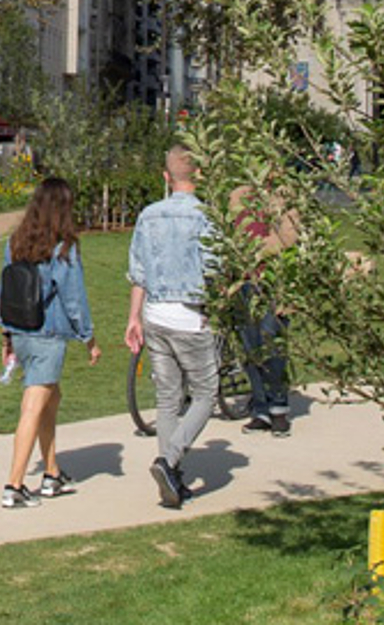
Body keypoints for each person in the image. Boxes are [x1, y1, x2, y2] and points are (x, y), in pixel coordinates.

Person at [0, 178, 101, 509]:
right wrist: (89, 338)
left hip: (22, 331)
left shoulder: (15, 242)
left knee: (51, 399)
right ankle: (14, 484)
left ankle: (52, 473)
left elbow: (4, 291)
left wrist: (6, 335)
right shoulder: (63, 247)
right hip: (47, 335)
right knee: (33, 406)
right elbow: (73, 298)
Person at [125, 145, 217, 509]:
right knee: (206, 392)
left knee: (168, 396)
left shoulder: (149, 216)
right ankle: (169, 458)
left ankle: (171, 474)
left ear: (167, 177)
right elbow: (215, 267)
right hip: (189, 314)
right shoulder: (207, 217)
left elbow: (139, 272)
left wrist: (134, 317)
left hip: (156, 312)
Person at [228, 185, 299, 437]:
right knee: (249, 347)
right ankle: (260, 408)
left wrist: (253, 251)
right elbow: (229, 231)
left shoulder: (284, 195)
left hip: (274, 283)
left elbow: (289, 237)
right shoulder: (238, 195)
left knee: (272, 343)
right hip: (243, 283)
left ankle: (278, 407)